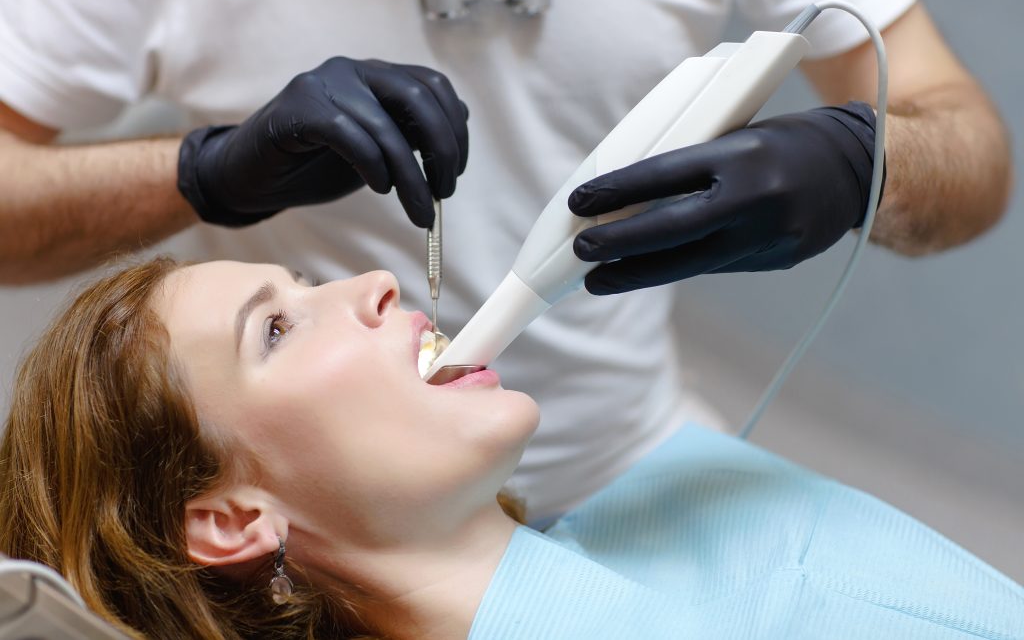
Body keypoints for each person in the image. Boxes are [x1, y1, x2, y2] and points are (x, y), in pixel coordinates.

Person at [0, 0, 1012, 524]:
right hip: (355, 523)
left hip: (633, 454)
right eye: (276, 323)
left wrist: (861, 163)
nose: (383, 291)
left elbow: (969, 151)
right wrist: (203, 170)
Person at [0, 257, 1021, 639]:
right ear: (230, 517)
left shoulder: (681, 486)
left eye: (306, 280)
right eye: (276, 328)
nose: (372, 282)